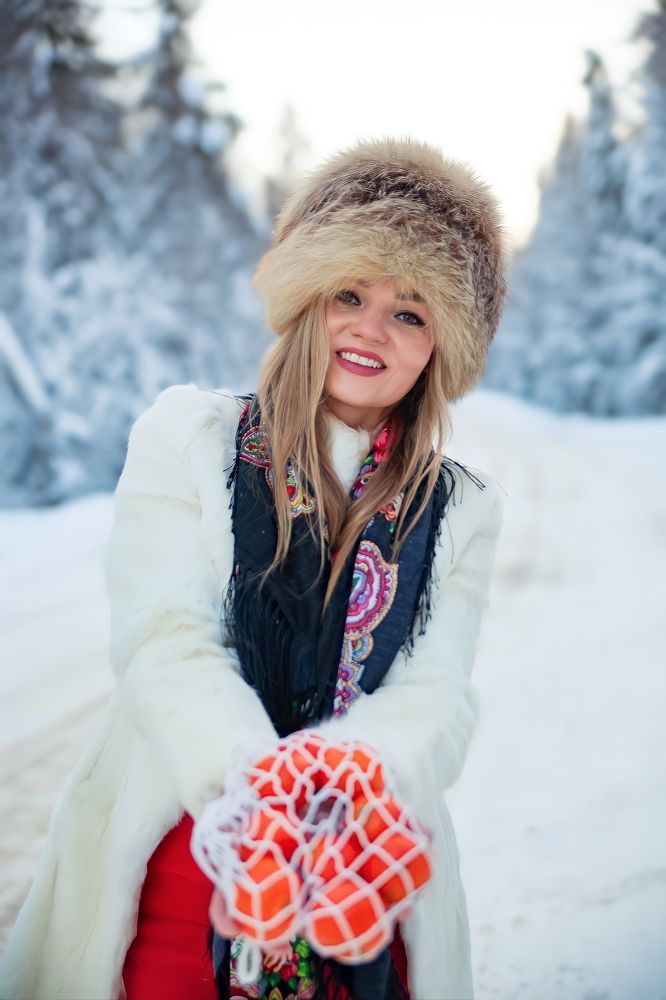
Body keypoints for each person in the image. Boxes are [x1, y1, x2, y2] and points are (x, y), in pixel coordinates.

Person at [0, 136, 509, 1000]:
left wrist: (343, 783)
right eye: (350, 293)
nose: (370, 329)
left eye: (411, 313)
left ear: (440, 346)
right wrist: (258, 795)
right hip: (185, 857)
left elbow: (438, 691)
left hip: (363, 870)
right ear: (308, 296)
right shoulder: (189, 439)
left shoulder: (460, 507)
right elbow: (166, 641)